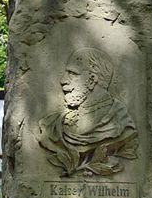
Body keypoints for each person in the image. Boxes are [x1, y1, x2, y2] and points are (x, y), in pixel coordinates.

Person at [39, 48, 138, 176]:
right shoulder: (52, 125)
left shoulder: (122, 124)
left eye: (72, 74)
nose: (63, 81)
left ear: (91, 80)